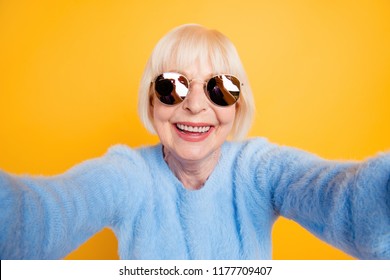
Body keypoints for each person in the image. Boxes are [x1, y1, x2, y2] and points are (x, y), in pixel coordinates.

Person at [0, 23, 389, 260]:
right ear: (152, 100)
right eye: (172, 86)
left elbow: (342, 202)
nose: (196, 105)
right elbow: (43, 217)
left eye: (220, 89)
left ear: (238, 106)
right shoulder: (128, 175)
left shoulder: (257, 169)